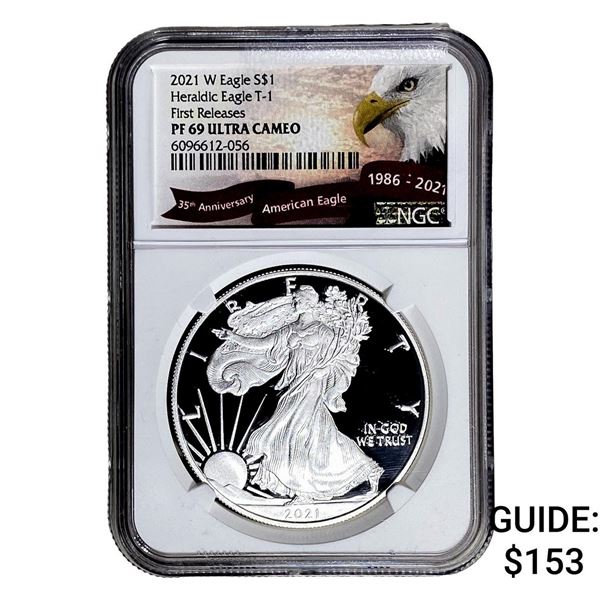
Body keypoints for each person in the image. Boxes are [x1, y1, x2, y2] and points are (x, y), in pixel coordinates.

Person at [207, 285, 383, 503]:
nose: (295, 303)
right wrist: (232, 336)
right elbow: (262, 344)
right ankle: (366, 469)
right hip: (294, 384)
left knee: (292, 430)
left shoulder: (323, 331)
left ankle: (303, 491)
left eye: (299, 300)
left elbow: (339, 359)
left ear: (309, 302)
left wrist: (323, 370)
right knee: (318, 434)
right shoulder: (289, 329)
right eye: (295, 299)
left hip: (312, 385)